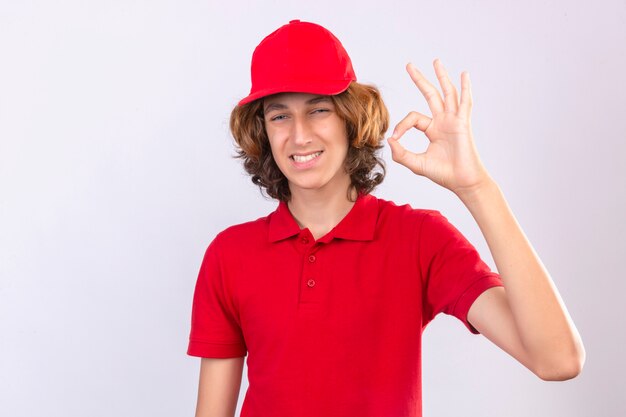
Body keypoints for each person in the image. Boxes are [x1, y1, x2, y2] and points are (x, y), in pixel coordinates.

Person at [187, 20, 585, 417]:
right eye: (279, 116)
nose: (300, 135)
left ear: (351, 118)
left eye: (319, 110)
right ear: (262, 131)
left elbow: (558, 360)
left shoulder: (420, 239)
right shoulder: (230, 255)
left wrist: (476, 187)